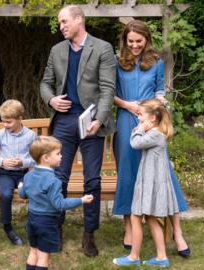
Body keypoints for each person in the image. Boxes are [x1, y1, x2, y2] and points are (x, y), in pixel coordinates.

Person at [39, 5, 116, 257]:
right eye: (59, 23)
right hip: (63, 123)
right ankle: (56, 229)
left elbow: (107, 89)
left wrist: (100, 119)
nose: (61, 26)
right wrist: (51, 100)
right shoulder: (56, 50)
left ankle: (89, 233)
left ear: (79, 20)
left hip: (91, 123)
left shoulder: (102, 48)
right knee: (58, 179)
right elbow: (45, 83)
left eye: (64, 21)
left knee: (92, 180)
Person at [112, 19, 190, 257]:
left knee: (163, 173)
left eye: (139, 41)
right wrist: (128, 105)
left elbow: (159, 89)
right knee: (128, 172)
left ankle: (177, 233)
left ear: (147, 40)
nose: (135, 46)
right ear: (125, 40)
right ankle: (129, 227)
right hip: (127, 121)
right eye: (131, 41)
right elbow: (109, 93)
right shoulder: (116, 62)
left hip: (151, 122)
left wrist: (159, 101)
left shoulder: (156, 62)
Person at [113, 99, 179, 267]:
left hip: (150, 184)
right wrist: (141, 128)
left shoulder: (155, 135)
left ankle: (133, 257)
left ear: (152, 118)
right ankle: (161, 257)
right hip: (149, 181)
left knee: (135, 217)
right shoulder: (156, 133)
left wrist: (138, 130)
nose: (138, 118)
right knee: (150, 218)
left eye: (141, 115)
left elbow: (135, 143)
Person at [19, 136, 94, 270]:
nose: (61, 156)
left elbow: (23, 195)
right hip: (47, 223)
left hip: (31, 220)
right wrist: (81, 200)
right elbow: (59, 204)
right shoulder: (54, 181)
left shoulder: (28, 176)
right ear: (46, 158)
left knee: (33, 251)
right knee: (43, 256)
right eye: (58, 154)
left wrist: (20, 186)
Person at [0, 99, 37, 245]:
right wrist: (1, 161)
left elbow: (38, 158)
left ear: (20, 119)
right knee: (5, 194)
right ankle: (8, 227)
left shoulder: (30, 135)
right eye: (3, 122)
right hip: (5, 173)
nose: (5, 125)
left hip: (24, 174)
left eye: (9, 122)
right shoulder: (1, 134)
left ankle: (32, 225)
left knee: (33, 192)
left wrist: (23, 162)